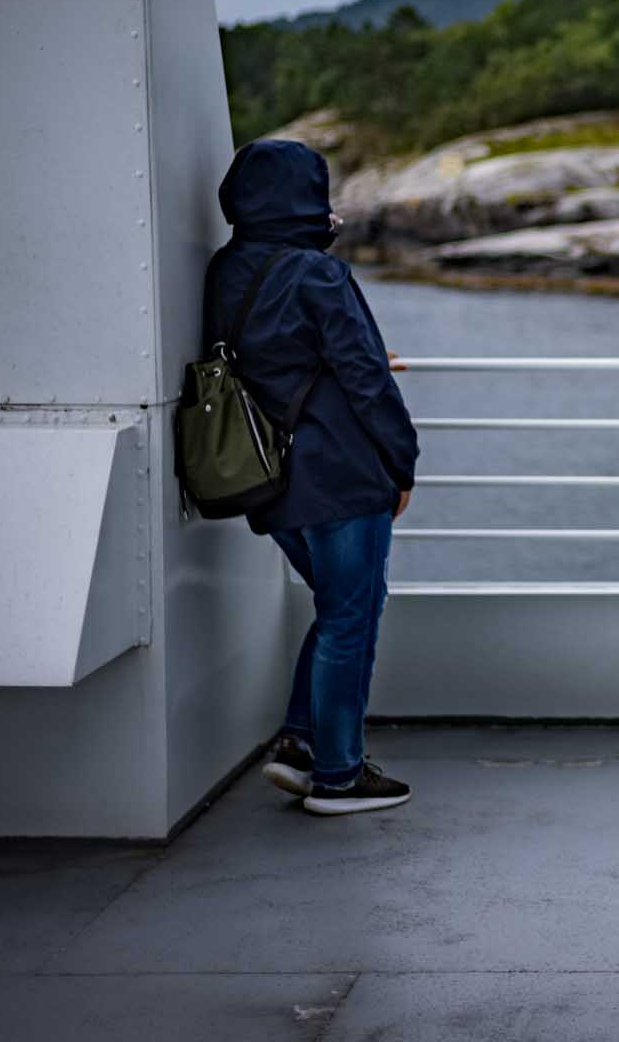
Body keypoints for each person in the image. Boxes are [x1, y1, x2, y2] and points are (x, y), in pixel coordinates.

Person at [208, 138, 421, 816]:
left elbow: (274, 349)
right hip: (339, 473)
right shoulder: (318, 274)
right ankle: (338, 776)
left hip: (267, 475)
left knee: (337, 609)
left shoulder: (225, 268)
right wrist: (402, 460)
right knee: (352, 615)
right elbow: (363, 377)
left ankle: (302, 744)